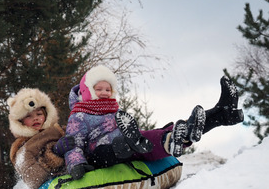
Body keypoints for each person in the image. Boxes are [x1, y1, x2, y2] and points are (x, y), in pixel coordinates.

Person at [62, 65, 244, 180]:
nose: (104, 92)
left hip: (129, 148)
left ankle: (218, 115)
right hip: (99, 155)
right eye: (98, 88)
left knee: (151, 136)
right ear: (87, 91)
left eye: (108, 89)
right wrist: (76, 164)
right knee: (118, 146)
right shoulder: (79, 115)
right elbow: (73, 143)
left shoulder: (114, 110)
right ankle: (134, 143)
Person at [7, 88, 72, 189]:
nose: (35, 118)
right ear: (20, 121)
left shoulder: (60, 130)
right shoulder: (22, 148)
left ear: (46, 115)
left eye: (39, 114)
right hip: (53, 186)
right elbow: (33, 179)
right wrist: (54, 154)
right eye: (29, 116)